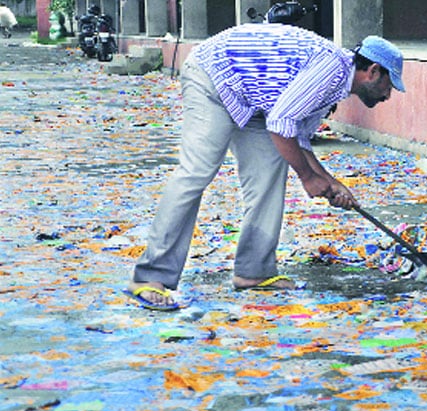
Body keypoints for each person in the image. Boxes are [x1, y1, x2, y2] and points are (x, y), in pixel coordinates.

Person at [123, 23, 405, 311]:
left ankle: (253, 271)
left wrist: (331, 182)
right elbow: (281, 124)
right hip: (214, 78)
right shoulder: (332, 70)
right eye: (389, 85)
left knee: (269, 173)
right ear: (372, 72)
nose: (387, 96)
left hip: (257, 101)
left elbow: (299, 138)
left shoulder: (336, 85)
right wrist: (308, 178)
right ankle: (149, 277)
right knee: (197, 172)